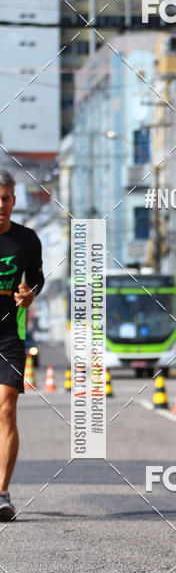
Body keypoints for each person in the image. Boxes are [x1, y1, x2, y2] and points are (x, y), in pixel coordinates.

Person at [0, 170, 45, 521]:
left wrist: (30, 295)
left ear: (13, 201)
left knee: (6, 409)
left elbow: (37, 279)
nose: (0, 205)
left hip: (9, 336)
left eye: (5, 198)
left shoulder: (27, 240)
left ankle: (1, 493)